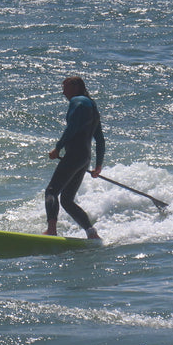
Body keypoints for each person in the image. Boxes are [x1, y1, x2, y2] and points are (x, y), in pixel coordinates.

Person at [44, 76, 105, 239]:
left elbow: (72, 128)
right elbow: (99, 139)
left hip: (74, 155)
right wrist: (98, 165)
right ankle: (91, 233)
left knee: (51, 192)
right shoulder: (92, 106)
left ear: (75, 86)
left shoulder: (77, 101)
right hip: (85, 158)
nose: (63, 91)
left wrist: (58, 148)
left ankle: (51, 230)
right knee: (67, 200)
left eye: (65, 87)